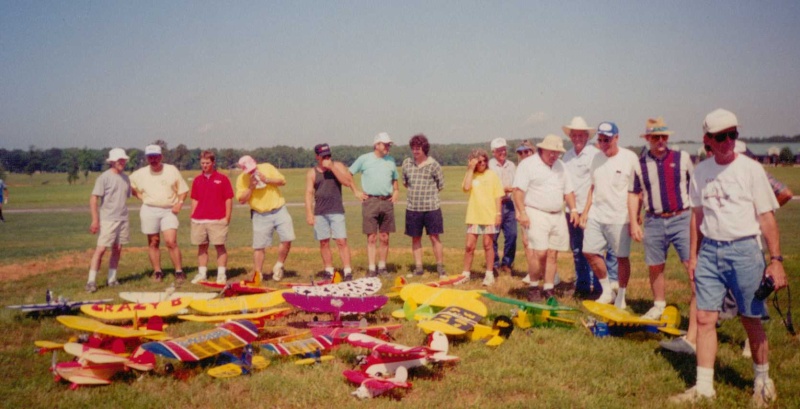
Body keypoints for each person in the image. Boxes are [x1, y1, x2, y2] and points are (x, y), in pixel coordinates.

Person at [670, 109, 785, 406]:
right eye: (720, 136)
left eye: (733, 134)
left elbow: (767, 217)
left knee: (751, 319)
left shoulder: (751, 169)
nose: (728, 141)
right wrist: (694, 256)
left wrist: (776, 260)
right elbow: (697, 217)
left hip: (745, 251)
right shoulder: (701, 172)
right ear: (707, 139)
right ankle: (704, 388)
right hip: (710, 251)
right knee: (705, 318)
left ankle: (762, 381)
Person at [629, 118, 696, 336]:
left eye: (663, 137)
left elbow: (695, 188)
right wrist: (633, 221)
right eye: (655, 137)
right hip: (654, 220)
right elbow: (633, 194)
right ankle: (658, 305)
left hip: (681, 218)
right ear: (647, 139)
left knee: (692, 264)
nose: (660, 141)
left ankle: (704, 310)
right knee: (655, 265)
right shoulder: (639, 164)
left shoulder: (682, 158)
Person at [580, 122, 638, 307]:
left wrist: (635, 216)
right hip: (597, 215)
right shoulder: (596, 158)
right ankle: (607, 290)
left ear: (617, 138)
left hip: (620, 217)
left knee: (621, 257)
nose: (603, 143)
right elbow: (592, 187)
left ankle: (621, 294)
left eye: (607, 140)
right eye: (600, 140)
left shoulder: (630, 158)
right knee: (589, 251)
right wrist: (585, 211)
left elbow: (638, 191)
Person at [512, 135, 577, 301]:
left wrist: (574, 209)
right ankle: (533, 286)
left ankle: (549, 288)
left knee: (552, 253)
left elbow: (568, 191)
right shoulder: (528, 165)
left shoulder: (561, 166)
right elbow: (518, 192)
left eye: (557, 152)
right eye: (552, 151)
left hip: (557, 214)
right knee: (539, 253)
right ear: (542, 149)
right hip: (536, 212)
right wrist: (522, 212)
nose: (554, 155)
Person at [562, 117, 618, 298]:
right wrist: (573, 210)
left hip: (590, 210)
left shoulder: (595, 155)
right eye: (574, 135)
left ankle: (602, 287)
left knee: (594, 250)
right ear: (570, 136)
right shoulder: (566, 156)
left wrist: (585, 211)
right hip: (572, 211)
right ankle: (583, 286)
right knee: (577, 250)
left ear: (587, 136)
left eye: (581, 135)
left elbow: (595, 185)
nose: (577, 138)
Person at [130, 144, 189, 284]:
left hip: (169, 210)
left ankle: (179, 271)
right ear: (147, 158)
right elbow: (128, 184)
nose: (153, 160)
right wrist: (139, 196)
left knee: (171, 242)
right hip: (149, 209)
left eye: (156, 157)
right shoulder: (140, 173)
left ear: (161, 156)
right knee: (153, 242)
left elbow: (183, 190)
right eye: (150, 157)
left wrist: (179, 203)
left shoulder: (171, 170)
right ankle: (157, 272)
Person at [236, 155, 295, 281]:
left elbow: (282, 181)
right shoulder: (241, 179)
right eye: (249, 171)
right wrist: (251, 187)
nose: (252, 172)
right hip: (260, 214)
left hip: (279, 209)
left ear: (255, 163)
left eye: (253, 169)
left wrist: (266, 179)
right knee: (259, 246)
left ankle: (279, 266)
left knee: (288, 238)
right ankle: (258, 274)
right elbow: (241, 200)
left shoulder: (267, 167)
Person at [349, 132, 399, 277]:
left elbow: (395, 178)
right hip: (370, 201)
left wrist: (396, 191)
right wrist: (356, 191)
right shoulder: (364, 159)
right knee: (371, 237)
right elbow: (349, 174)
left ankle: (382, 267)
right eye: (385, 144)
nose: (388, 147)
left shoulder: (391, 161)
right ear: (377, 145)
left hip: (387, 201)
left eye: (389, 144)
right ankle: (371, 268)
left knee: (385, 237)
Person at [305, 143, 357, 281]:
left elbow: (347, 182)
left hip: (336, 210)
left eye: (328, 155)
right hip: (320, 212)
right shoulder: (312, 173)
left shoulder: (337, 166)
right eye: (323, 157)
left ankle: (347, 271)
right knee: (324, 242)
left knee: (341, 241)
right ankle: (328, 270)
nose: (326, 158)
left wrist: (332, 168)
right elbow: (309, 193)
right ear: (317, 157)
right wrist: (309, 213)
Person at [85, 148, 131, 292]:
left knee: (117, 249)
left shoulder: (126, 178)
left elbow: (130, 193)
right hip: (108, 220)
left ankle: (112, 279)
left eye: (123, 160)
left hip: (123, 218)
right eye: (119, 160)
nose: (121, 162)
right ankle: (91, 281)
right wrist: (95, 220)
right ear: (112, 162)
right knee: (101, 249)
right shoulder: (103, 178)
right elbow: (94, 199)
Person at [401, 134, 446, 277]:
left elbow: (441, 185)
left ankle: (440, 267)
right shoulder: (407, 163)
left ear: (424, 148)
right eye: (413, 148)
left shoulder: (434, 165)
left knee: (434, 237)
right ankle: (418, 268)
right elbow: (405, 182)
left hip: (432, 208)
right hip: (413, 208)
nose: (415, 151)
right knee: (415, 238)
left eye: (418, 148)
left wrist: (428, 196)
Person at [189, 150, 234, 285]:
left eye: (207, 163)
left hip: (217, 219)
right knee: (202, 247)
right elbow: (194, 199)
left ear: (213, 163)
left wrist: (227, 217)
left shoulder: (223, 179)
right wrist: (193, 215)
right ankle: (202, 274)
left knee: (220, 246)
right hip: (199, 220)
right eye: (202, 163)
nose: (204, 165)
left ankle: (221, 275)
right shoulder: (197, 180)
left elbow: (228, 199)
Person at [461, 149, 503, 286]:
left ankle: (489, 274)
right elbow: (466, 188)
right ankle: (465, 274)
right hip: (474, 215)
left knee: (488, 245)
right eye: (479, 161)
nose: (483, 163)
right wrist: (470, 169)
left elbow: (498, 195)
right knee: (469, 246)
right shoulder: (471, 175)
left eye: (485, 160)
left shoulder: (492, 175)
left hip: (489, 215)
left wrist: (498, 214)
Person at [488, 138, 517, 275]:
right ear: (493, 151)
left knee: (512, 235)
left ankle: (507, 263)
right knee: (492, 236)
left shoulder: (511, 165)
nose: (503, 152)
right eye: (499, 150)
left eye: (504, 149)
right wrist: (503, 189)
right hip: (494, 205)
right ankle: (493, 264)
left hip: (509, 204)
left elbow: (516, 183)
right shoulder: (488, 166)